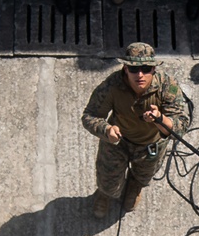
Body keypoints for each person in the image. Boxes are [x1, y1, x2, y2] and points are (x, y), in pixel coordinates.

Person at [80, 42, 192, 218]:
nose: (140, 74)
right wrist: (106, 129)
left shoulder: (167, 86)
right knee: (107, 179)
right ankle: (106, 195)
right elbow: (89, 115)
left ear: (154, 69)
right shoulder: (112, 86)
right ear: (125, 68)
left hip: (151, 144)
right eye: (133, 69)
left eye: (146, 68)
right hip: (118, 142)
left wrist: (160, 119)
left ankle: (134, 187)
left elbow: (181, 124)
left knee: (143, 175)